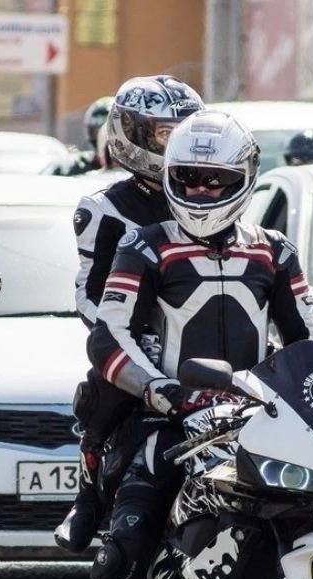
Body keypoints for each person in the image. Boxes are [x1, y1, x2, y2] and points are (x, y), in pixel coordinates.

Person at [66, 110, 313, 579]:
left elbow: (310, 339)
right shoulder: (144, 245)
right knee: (125, 545)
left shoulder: (275, 250)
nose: (203, 191)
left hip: (257, 418)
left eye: (217, 180)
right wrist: (157, 387)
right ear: (170, 176)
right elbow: (109, 336)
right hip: (167, 419)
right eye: (189, 178)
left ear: (245, 178)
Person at [55, 75, 203, 553]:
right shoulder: (105, 208)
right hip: (137, 337)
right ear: (133, 134)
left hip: (205, 338)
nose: (177, 145)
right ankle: (87, 496)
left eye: (185, 133)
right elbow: (88, 292)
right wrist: (131, 336)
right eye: (165, 134)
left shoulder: (212, 193)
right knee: (105, 387)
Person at [50, 96, 115, 177]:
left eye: (110, 132)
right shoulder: (73, 167)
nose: (102, 138)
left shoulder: (129, 169)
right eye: (96, 132)